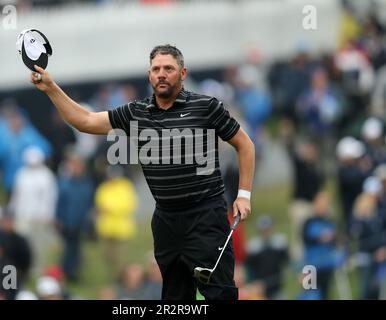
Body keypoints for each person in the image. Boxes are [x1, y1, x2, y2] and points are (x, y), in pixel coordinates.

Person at [30, 44, 255, 300]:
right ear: (149, 75)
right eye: (156, 69)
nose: (161, 74)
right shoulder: (137, 112)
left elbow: (244, 144)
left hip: (206, 215)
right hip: (166, 220)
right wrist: (51, 88)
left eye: (168, 68)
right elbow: (85, 121)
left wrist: (244, 194)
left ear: (182, 73)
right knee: (174, 299)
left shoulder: (206, 106)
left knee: (220, 295)